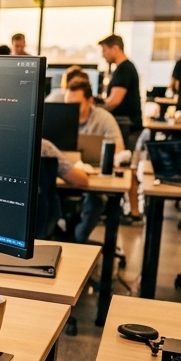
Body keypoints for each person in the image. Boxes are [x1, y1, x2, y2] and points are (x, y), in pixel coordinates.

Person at [65, 80, 124, 243]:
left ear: (90, 101)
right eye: (67, 104)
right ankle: (55, 237)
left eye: (75, 104)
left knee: (96, 199)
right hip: (64, 175)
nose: (70, 109)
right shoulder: (60, 117)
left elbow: (119, 149)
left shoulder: (104, 119)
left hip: (94, 178)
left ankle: (79, 237)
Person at [98, 34, 142, 149]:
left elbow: (114, 101)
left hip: (127, 128)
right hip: (126, 127)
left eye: (104, 50)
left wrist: (95, 112)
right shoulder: (122, 68)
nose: (103, 55)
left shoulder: (124, 69)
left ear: (115, 48)